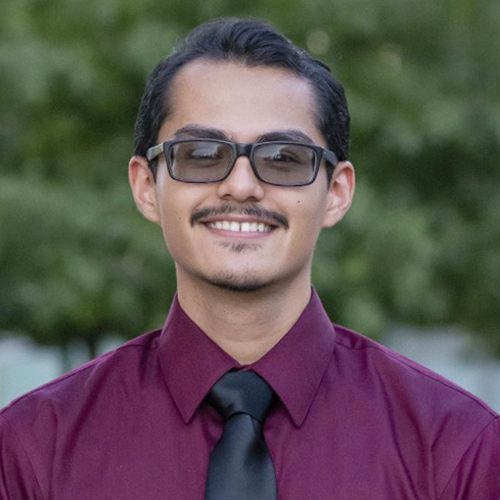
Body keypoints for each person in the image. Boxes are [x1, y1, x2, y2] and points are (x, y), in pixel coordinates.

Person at [1, 17, 499, 500]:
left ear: (337, 193)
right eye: (201, 153)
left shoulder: (457, 448)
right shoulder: (32, 448)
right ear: (146, 186)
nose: (241, 185)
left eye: (283, 158)